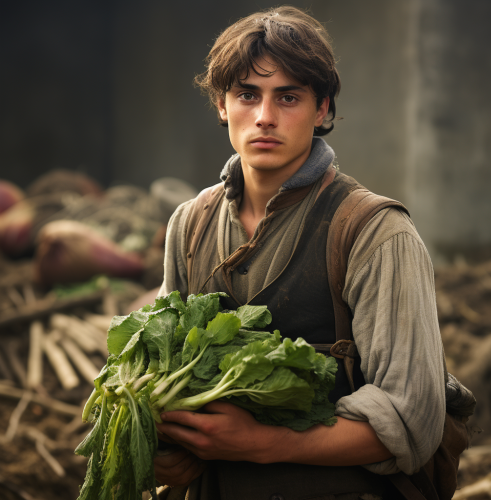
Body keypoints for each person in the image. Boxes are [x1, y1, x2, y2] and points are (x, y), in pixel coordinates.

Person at [154, 6, 446, 500]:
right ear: (222, 105)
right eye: (247, 94)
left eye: (288, 97)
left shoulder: (375, 233)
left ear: (322, 109)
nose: (265, 117)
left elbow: (411, 419)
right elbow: (164, 374)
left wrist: (261, 443)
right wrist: (169, 449)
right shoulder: (189, 224)